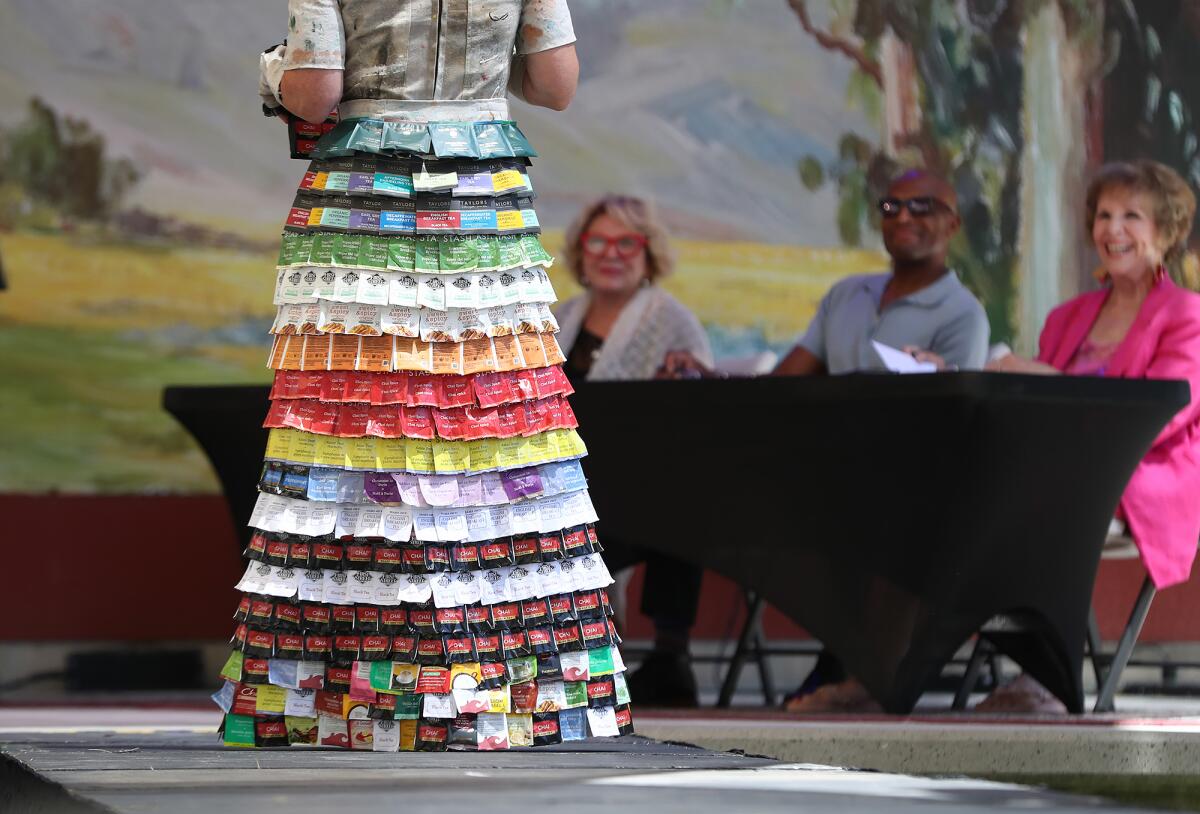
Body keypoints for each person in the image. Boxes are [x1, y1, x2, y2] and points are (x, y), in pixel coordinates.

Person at [217, 1, 633, 750]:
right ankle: (511, 692)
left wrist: (272, 71)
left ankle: (346, 699)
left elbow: (315, 92)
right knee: (489, 425)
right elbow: (556, 82)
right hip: (481, 196)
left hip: (369, 193)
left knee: (363, 420)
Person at [662, 169, 990, 712]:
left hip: (911, 484)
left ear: (952, 222)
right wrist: (709, 375)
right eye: (892, 208)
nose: (903, 217)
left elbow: (958, 419)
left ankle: (854, 666)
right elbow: (786, 381)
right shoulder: (847, 296)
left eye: (922, 207)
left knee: (870, 512)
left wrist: (938, 375)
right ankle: (840, 658)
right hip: (834, 472)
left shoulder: (963, 315)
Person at [976, 159, 1200, 712]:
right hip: (1058, 470)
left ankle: (1045, 675)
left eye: (1132, 216)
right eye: (1104, 215)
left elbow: (1163, 416)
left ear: (1166, 232)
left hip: (1144, 473)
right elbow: (1032, 407)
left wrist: (1048, 381)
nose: (1113, 230)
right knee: (965, 497)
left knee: (1033, 503)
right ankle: (1012, 664)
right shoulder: (1066, 318)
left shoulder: (1188, 315)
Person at [555, 194, 713, 706]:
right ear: (582, 251)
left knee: (686, 510)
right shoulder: (561, 319)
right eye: (598, 241)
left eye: (627, 242)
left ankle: (671, 658)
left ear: (648, 254)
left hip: (648, 487)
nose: (611, 253)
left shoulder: (674, 320)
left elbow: (697, 416)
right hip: (568, 486)